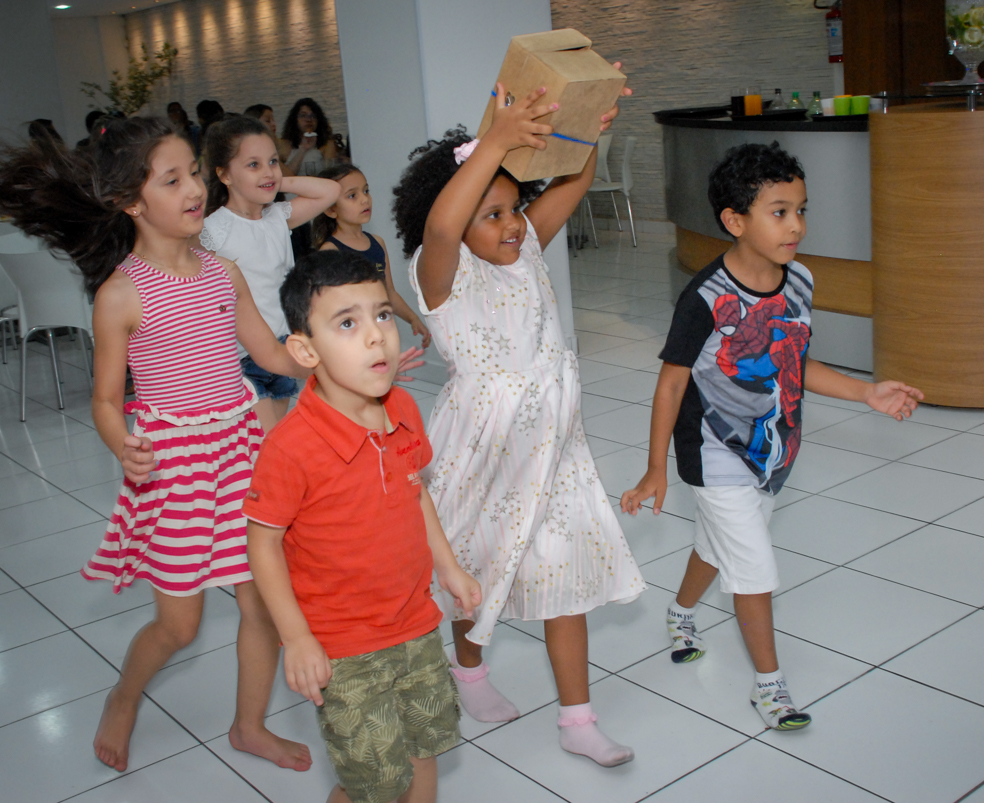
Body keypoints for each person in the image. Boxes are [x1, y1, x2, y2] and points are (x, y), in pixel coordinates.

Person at [0, 116, 314, 773]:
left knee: (260, 598)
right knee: (180, 624)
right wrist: (124, 445)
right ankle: (124, 693)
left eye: (194, 172)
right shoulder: (121, 295)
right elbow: (106, 401)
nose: (195, 188)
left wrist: (330, 358)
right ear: (131, 202)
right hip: (173, 466)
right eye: (173, 180)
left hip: (239, 446)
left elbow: (267, 352)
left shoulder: (222, 272)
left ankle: (248, 724)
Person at [620, 141, 924, 731]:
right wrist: (656, 466)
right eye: (779, 211)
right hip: (713, 451)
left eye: (801, 209)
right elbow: (669, 385)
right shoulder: (704, 300)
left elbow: (793, 361)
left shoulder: (800, 282)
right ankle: (771, 688)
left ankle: (680, 614)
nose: (797, 226)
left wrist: (866, 392)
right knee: (754, 567)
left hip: (773, 449)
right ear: (735, 221)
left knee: (719, 546)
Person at [392, 79, 644, 768]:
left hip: (555, 449)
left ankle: (578, 717)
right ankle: (467, 669)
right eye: (490, 212)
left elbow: (574, 179)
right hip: (484, 452)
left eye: (512, 207)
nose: (509, 224)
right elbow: (445, 224)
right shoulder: (440, 272)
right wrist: (496, 139)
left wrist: (585, 129)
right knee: (476, 573)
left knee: (568, 578)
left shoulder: (527, 244)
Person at [245, 249, 481, 803]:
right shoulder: (291, 447)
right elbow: (262, 545)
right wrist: (297, 638)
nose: (377, 336)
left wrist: (448, 565)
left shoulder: (403, 408)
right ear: (304, 349)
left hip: (416, 623)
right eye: (347, 323)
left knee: (425, 751)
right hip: (343, 648)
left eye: (381, 315)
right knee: (373, 782)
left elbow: (413, 489)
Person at [200, 115, 342, 432]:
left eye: (273, 162)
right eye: (253, 165)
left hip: (284, 346)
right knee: (264, 445)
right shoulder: (213, 229)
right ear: (224, 174)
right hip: (242, 355)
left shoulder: (278, 217)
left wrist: (279, 182)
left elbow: (330, 190)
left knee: (275, 440)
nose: (267, 171)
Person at [315, 163, 430, 348]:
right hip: (352, 340)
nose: (364, 200)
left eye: (366, 191)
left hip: (381, 332)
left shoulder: (378, 243)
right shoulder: (330, 252)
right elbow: (329, 309)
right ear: (331, 210)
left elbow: (389, 292)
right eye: (352, 195)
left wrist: (412, 318)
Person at [278, 97, 338, 177]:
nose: (309, 120)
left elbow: (331, 174)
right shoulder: (284, 144)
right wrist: (303, 149)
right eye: (303, 116)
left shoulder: (327, 144)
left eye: (313, 116)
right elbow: (284, 176)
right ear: (295, 119)